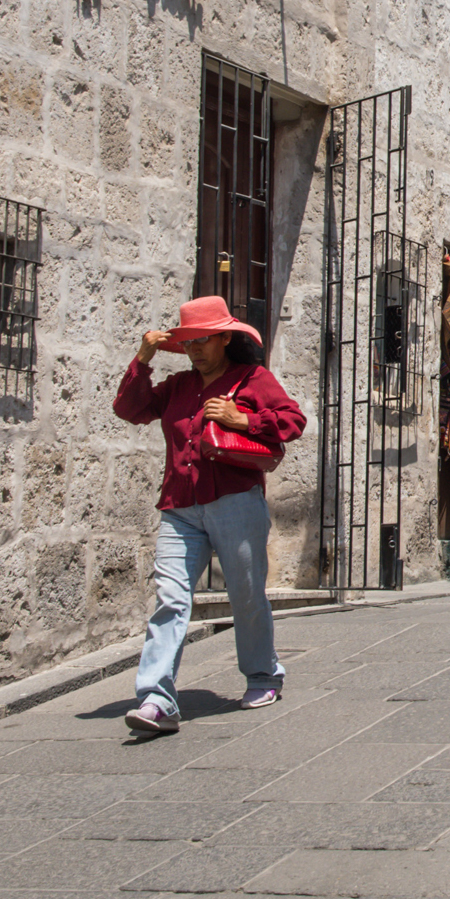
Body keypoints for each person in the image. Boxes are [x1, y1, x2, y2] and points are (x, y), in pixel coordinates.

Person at [114, 296, 306, 734]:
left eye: (202, 340)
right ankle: (156, 700)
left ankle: (262, 675)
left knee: (246, 595)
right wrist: (143, 359)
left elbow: (293, 421)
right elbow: (130, 410)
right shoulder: (178, 386)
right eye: (187, 342)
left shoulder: (252, 378)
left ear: (223, 338)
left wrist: (243, 420)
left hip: (235, 501)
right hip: (179, 507)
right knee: (171, 600)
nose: (194, 350)